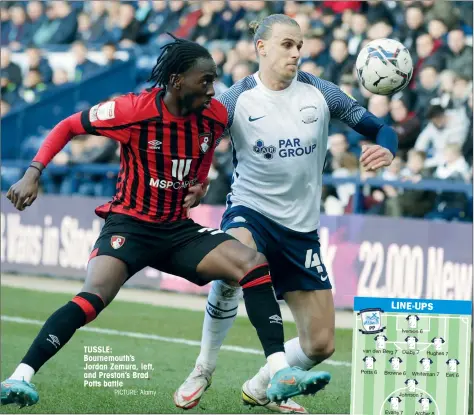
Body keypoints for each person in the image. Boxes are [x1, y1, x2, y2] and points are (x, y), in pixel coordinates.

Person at [0, 35, 331, 409]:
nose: (212, 89)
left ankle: (279, 370)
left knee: (253, 265)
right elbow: (66, 127)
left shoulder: (214, 115)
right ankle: (20, 376)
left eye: (214, 80)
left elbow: (206, 146)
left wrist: (201, 182)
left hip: (176, 231)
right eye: (204, 81)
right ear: (176, 81)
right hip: (129, 225)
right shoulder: (130, 111)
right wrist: (33, 172)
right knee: (94, 298)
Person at [174, 15, 397, 413]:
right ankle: (202, 368)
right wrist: (199, 177)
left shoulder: (321, 93)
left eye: (300, 45)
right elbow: (198, 142)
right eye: (287, 45)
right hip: (251, 211)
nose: (297, 52)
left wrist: (388, 147)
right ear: (261, 47)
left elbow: (380, 128)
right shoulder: (235, 99)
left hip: (301, 230)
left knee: (320, 345)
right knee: (237, 264)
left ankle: (261, 385)